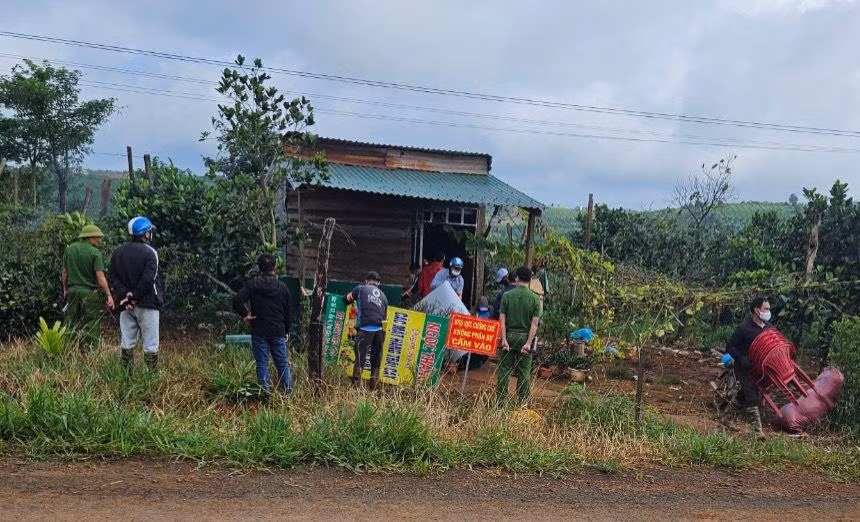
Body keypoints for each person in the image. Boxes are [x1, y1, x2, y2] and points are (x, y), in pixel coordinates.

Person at [108, 216, 164, 372]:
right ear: (146, 234)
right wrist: (135, 296)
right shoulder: (150, 252)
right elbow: (148, 279)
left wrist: (126, 296)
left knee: (127, 341)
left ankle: (127, 375)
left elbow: (112, 277)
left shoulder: (118, 252)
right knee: (151, 343)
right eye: (149, 232)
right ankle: (151, 378)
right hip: (148, 303)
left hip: (125, 304)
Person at [232, 253, 292, 394]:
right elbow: (288, 313)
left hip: (259, 330)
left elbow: (237, 300)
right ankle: (288, 394)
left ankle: (264, 394)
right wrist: (286, 330)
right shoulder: (283, 288)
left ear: (259, 268)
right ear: (275, 267)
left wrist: (245, 315)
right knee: (282, 363)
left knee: (262, 364)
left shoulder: (253, 284)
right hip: (278, 331)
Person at [61, 224, 114, 352]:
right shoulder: (95, 253)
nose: (99, 240)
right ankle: (89, 352)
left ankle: (66, 350)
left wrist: (65, 289)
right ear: (90, 237)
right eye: (97, 237)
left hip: (73, 291)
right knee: (91, 323)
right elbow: (100, 277)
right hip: (89, 292)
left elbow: (64, 272)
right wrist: (108, 295)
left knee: (70, 321)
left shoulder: (70, 249)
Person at [725, 296, 772, 440]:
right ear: (756, 310)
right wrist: (741, 359)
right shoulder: (744, 329)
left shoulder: (770, 329)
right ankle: (757, 432)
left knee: (742, 396)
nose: (769, 311)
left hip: (760, 370)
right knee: (751, 396)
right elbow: (730, 347)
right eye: (766, 309)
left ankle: (726, 417)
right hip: (744, 369)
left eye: (769, 309)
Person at [496, 266, 542, 406]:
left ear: (516, 278)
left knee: (504, 370)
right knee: (524, 372)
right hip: (524, 338)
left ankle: (500, 402)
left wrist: (504, 340)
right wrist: (528, 343)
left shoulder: (507, 296)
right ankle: (522, 404)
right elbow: (534, 324)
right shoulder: (535, 299)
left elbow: (502, 321)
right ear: (529, 280)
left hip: (509, 337)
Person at [344, 271, 389, 390]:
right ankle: (373, 389)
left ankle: (356, 388)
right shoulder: (384, 296)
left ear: (366, 281)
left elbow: (346, 299)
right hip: (380, 330)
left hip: (365, 328)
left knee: (360, 358)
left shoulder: (360, 289)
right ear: (379, 283)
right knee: (376, 360)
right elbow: (385, 315)